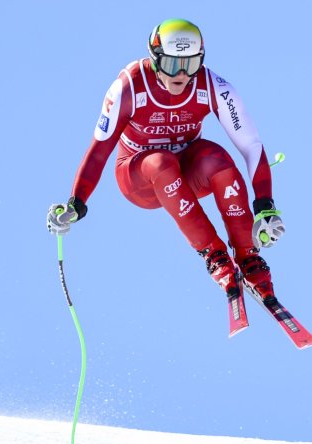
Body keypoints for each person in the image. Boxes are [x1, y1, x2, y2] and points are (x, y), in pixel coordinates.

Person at [46, 18, 286, 303]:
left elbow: (251, 145)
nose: (182, 75)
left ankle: (249, 257)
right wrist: (76, 202)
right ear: (156, 59)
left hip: (185, 173)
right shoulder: (129, 87)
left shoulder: (214, 87)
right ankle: (215, 256)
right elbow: (99, 150)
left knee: (217, 159)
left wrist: (264, 206)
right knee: (161, 162)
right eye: (173, 64)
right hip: (140, 178)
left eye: (191, 64)